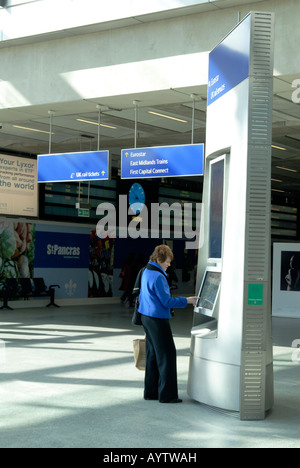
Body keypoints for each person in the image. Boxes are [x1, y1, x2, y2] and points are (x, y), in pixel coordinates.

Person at [138, 244, 198, 404]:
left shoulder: (146, 271)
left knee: (152, 355)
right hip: (158, 320)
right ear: (159, 259)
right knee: (167, 356)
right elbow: (166, 301)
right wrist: (187, 300)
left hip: (146, 317)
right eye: (168, 262)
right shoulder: (159, 276)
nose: (169, 265)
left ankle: (151, 392)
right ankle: (167, 395)